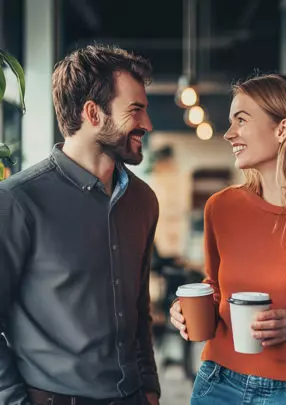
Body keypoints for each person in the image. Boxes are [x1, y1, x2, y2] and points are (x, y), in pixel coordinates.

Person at [170, 73, 286, 405]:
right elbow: (214, 288)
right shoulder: (221, 207)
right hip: (218, 381)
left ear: (283, 128)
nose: (229, 134)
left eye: (240, 121)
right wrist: (187, 312)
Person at [0, 45, 160, 405]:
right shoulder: (17, 201)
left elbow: (139, 308)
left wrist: (149, 387)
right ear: (93, 113)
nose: (147, 125)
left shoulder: (143, 201)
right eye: (136, 110)